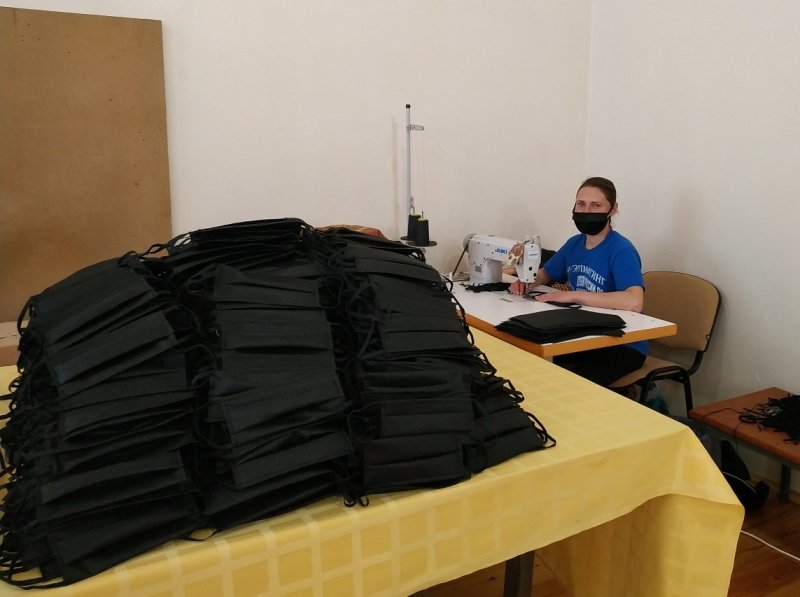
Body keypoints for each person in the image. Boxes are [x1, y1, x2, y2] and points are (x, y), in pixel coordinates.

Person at [509, 176, 646, 386]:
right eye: (581, 204)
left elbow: (634, 301)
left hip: (622, 343)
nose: (586, 211)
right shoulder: (574, 244)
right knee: (526, 360)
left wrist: (573, 295)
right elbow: (547, 273)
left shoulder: (621, 250)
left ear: (613, 209)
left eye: (596, 205)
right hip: (583, 333)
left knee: (569, 385)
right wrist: (527, 281)